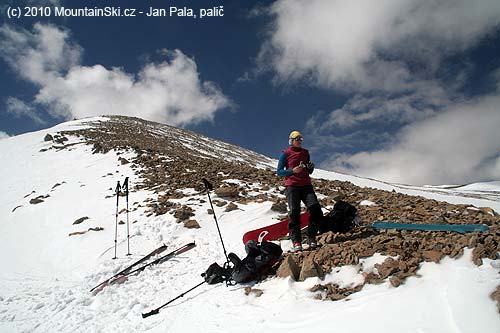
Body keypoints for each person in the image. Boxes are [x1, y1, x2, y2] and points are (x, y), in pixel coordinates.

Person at [276, 130, 323, 251]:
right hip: (292, 186)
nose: (299, 141)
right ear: (291, 140)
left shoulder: (305, 153)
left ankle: (311, 237)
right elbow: (279, 171)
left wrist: (310, 168)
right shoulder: (285, 154)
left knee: (316, 210)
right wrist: (292, 171)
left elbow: (308, 170)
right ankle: (296, 241)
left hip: (306, 185)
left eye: (301, 139)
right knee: (295, 213)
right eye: (297, 139)